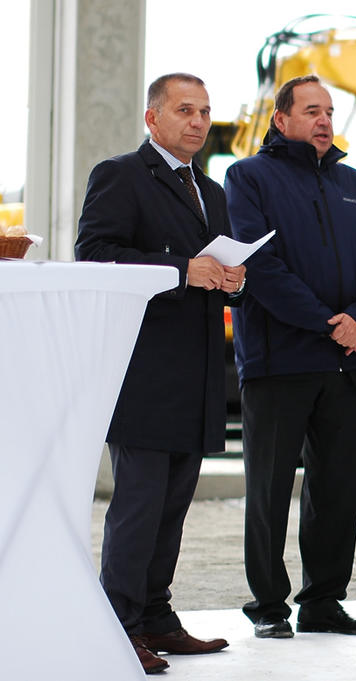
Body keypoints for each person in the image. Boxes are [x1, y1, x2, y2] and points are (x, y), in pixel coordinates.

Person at [75, 72, 238, 675]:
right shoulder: (120, 175)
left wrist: (232, 279)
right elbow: (95, 254)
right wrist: (180, 271)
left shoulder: (212, 190)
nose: (198, 122)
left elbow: (212, 267)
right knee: (139, 508)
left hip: (198, 373)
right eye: (185, 110)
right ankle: (117, 629)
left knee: (172, 509)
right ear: (152, 118)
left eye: (205, 112)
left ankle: (156, 618)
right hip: (142, 372)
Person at [224, 75, 356, 640]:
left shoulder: (354, 183)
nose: (324, 121)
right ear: (282, 119)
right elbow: (260, 266)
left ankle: (323, 602)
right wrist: (328, 323)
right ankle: (269, 606)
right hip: (279, 360)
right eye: (312, 111)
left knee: (338, 489)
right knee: (269, 489)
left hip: (345, 360)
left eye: (329, 112)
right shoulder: (248, 177)